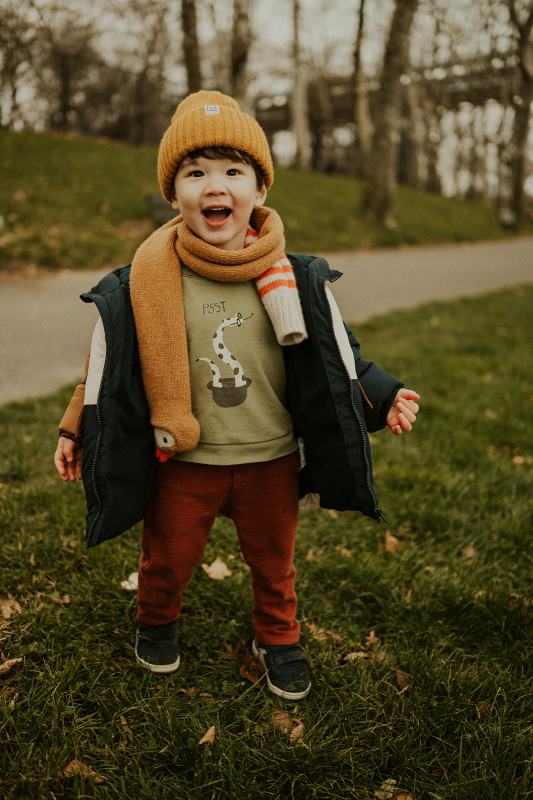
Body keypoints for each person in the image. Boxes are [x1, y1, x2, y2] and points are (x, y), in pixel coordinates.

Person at [53, 90, 420, 701]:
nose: (213, 185)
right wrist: (74, 427)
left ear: (259, 190)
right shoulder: (146, 280)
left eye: (232, 171)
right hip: (183, 459)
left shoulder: (296, 277)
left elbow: (339, 352)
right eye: (195, 173)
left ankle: (277, 636)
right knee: (167, 556)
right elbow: (105, 364)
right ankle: (157, 619)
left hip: (270, 457)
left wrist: (383, 394)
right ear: (174, 195)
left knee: (274, 563)